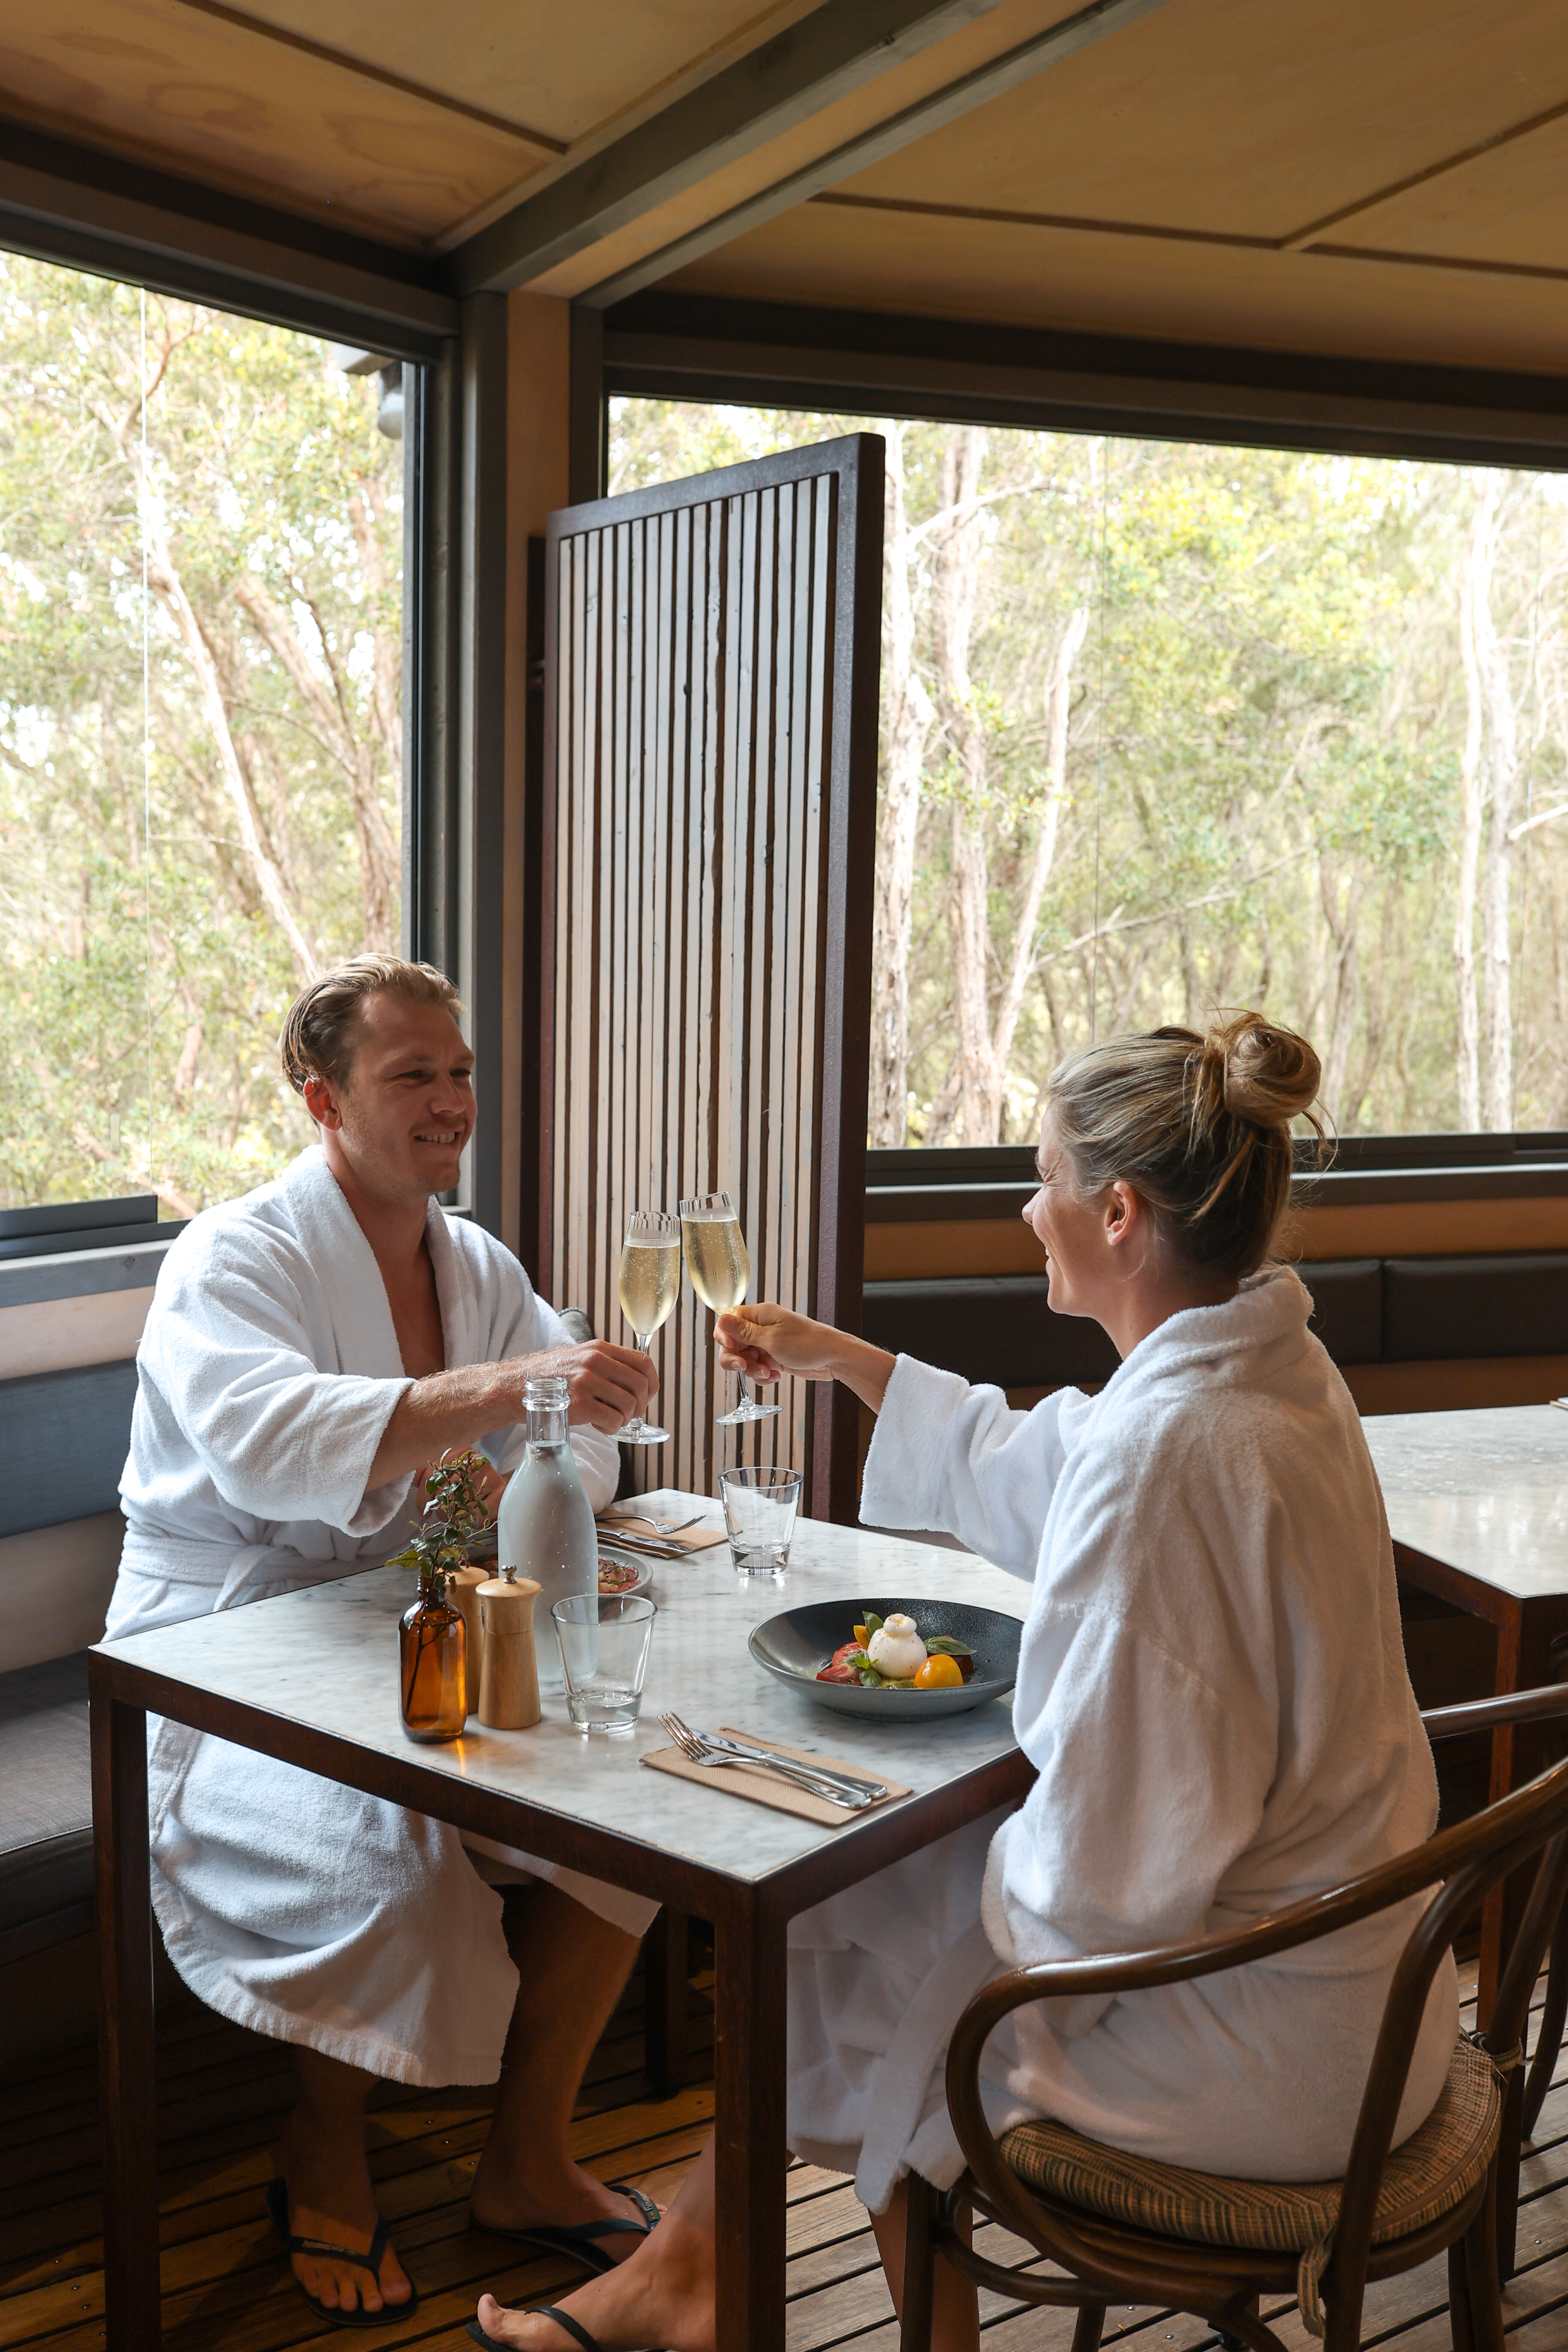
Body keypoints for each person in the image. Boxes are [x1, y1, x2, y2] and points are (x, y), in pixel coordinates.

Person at [472, 1013, 1456, 2352]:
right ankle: (689, 2277)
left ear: (1119, 1214)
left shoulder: (1175, 1451)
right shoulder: (1266, 1370)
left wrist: (931, 1886)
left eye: (1045, 1178)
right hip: (1376, 1980)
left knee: (849, 1946)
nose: (1027, 1208)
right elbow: (1065, 1466)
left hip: (1269, 2051)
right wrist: (848, 1361)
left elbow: (1104, 1884)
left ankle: (713, 2286)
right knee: (848, 1904)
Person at [109, 954, 666, 2324]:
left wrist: (522, 1466)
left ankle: (528, 2160)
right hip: (228, 1646)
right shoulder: (231, 1257)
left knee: (631, 1816)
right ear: (323, 1098)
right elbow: (266, 1442)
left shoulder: (478, 1264)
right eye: (412, 1073)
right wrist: (510, 1395)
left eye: (459, 1072)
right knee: (393, 1862)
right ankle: (324, 2140)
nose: (451, 1100)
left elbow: (584, 1442)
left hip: (409, 1619)